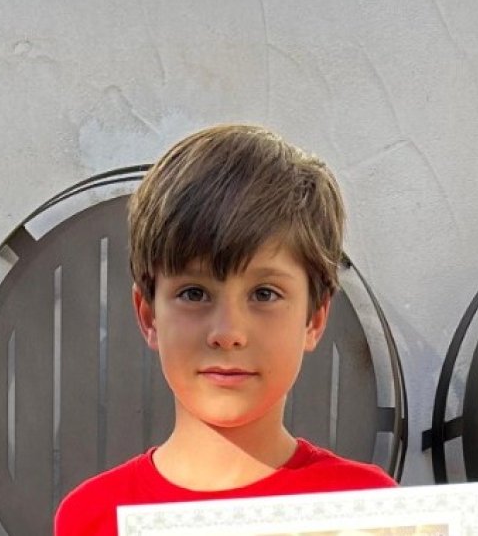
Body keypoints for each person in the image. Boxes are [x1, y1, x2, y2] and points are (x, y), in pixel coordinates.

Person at [54, 124, 396, 535]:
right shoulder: (90, 518)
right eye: (195, 293)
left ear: (315, 319)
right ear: (148, 316)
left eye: (265, 294)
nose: (228, 332)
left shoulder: (372, 512)